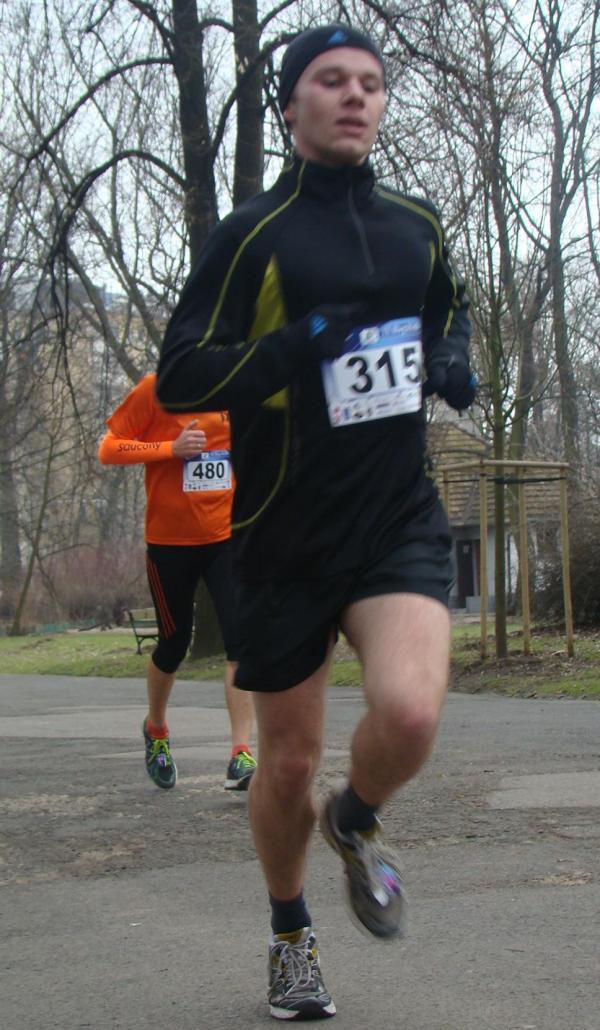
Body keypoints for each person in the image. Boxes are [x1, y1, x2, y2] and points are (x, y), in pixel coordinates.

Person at [156, 22, 476, 1021]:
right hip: (282, 531)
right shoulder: (251, 235)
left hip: (394, 517)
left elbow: (449, 306)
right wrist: (295, 347)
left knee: (411, 713)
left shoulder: (416, 223)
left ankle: (357, 818)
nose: (354, 96)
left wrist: (451, 357)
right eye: (331, 80)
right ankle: (291, 934)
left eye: (370, 82)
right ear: (291, 104)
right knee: (287, 762)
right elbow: (180, 377)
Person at [98, 373, 256, 792]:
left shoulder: (235, 383)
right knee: (173, 645)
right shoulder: (157, 387)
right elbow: (109, 448)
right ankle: (156, 729)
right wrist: (171, 448)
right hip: (170, 544)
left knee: (241, 641)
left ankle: (241, 753)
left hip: (225, 537)